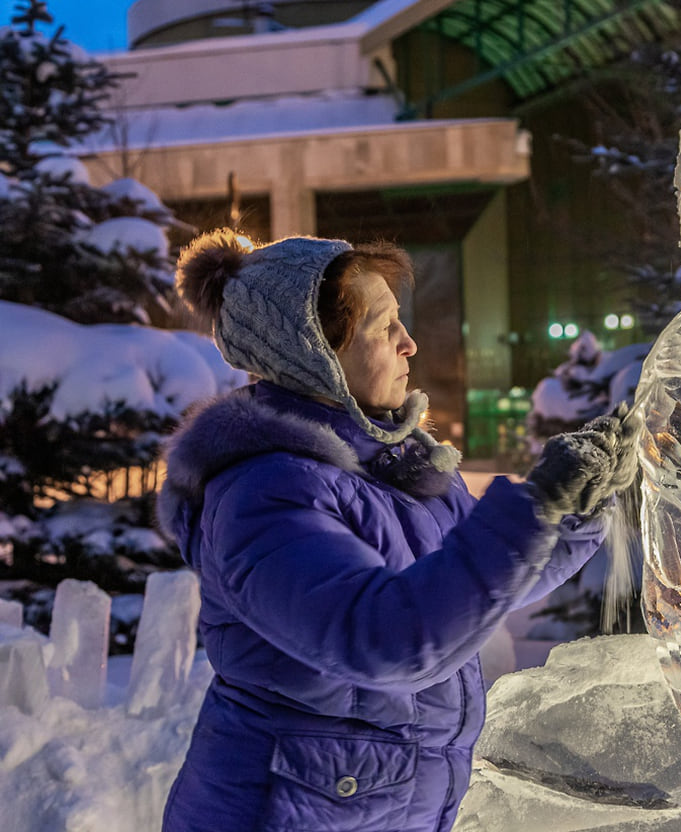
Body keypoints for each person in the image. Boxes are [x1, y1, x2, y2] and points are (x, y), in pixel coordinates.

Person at [156, 229, 638, 832]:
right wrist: (535, 504)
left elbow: (477, 583)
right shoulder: (264, 493)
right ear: (315, 353)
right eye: (384, 328)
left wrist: (577, 508)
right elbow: (385, 639)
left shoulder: (396, 470)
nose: (409, 343)